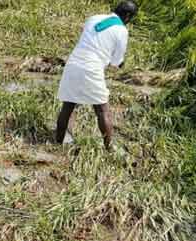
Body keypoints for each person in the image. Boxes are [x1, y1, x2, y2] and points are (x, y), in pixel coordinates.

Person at [55, 1, 138, 150]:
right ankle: (109, 148)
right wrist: (120, 63)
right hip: (92, 68)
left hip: (73, 63)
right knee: (102, 110)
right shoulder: (121, 30)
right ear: (127, 16)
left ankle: (58, 142)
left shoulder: (94, 18)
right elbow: (115, 62)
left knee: (68, 106)